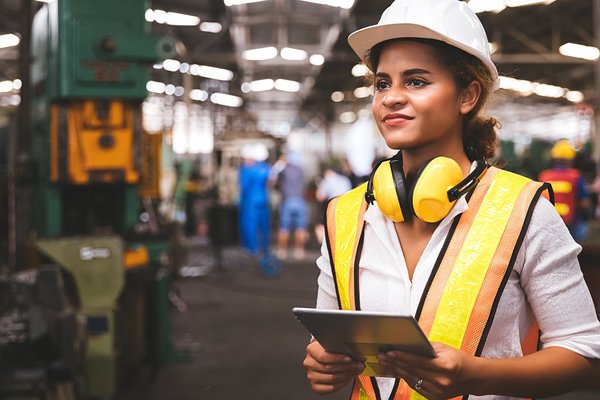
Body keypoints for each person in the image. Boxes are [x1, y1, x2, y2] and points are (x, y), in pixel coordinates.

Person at [303, 1, 600, 399]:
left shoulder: (524, 210)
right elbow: (329, 338)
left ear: (467, 96)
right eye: (382, 83)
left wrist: (478, 376)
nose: (390, 97)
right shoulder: (343, 215)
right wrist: (323, 362)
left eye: (416, 81)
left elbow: (587, 355)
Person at [539, 140, 591, 242]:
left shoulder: (544, 176)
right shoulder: (576, 176)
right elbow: (584, 203)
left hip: (548, 222)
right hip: (570, 223)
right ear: (571, 160)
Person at [271, 151, 309, 260]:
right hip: (300, 200)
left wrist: (280, 163)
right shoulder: (301, 171)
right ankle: (299, 251)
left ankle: (282, 251)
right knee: (300, 227)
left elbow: (273, 180)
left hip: (287, 200)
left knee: (284, 228)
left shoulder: (284, 171)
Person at [238, 143, 271, 255]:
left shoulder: (246, 170)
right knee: (264, 225)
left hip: (249, 202)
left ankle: (251, 248)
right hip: (263, 200)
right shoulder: (266, 168)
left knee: (249, 224)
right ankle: (265, 247)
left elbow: (243, 187)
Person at [313, 164, 352, 244]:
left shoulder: (328, 180)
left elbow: (320, 197)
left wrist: (319, 185)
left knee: (320, 226)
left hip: (333, 206)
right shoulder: (345, 180)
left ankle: (325, 246)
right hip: (346, 207)